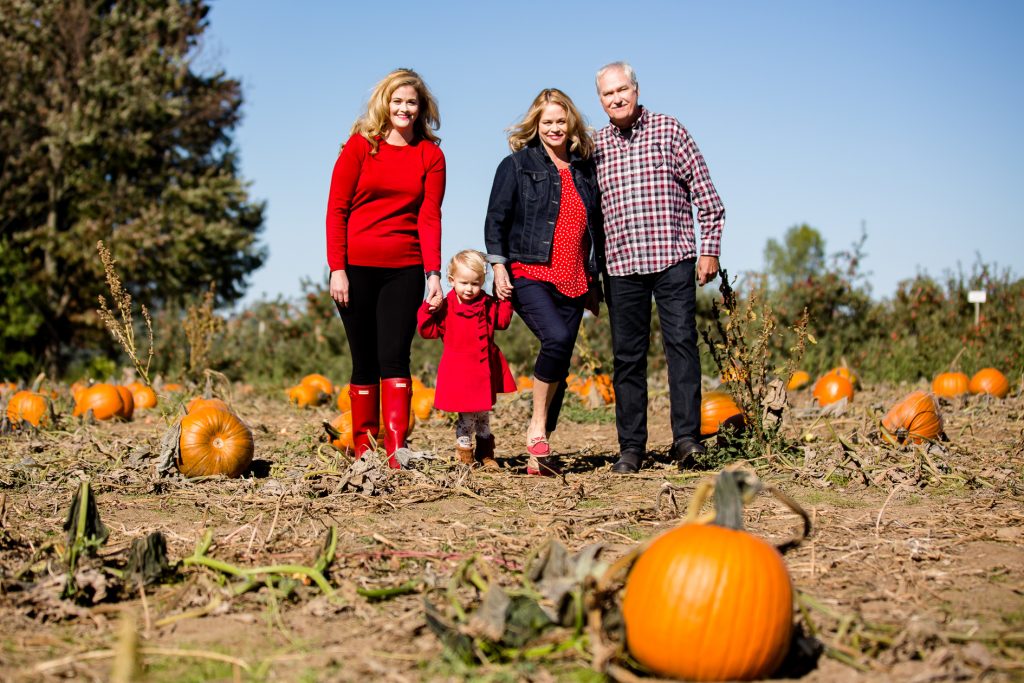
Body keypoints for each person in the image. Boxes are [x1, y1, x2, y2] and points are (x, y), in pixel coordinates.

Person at [592, 61, 725, 474]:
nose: (616, 99)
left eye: (622, 90)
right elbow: (588, 215)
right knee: (627, 358)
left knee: (681, 346)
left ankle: (686, 440)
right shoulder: (595, 145)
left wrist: (710, 251)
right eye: (607, 94)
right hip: (621, 264)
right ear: (600, 100)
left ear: (635, 89)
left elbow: (708, 196)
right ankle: (631, 448)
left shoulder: (670, 130)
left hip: (672, 258)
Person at [325, 68, 445, 469]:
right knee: (364, 360)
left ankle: (395, 449)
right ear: (385, 104)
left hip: (405, 268)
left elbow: (430, 217)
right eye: (397, 101)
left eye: (411, 102)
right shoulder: (361, 147)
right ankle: (363, 448)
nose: (404, 108)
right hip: (356, 268)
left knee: (395, 356)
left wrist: (433, 274)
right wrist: (336, 268)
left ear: (421, 107)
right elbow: (337, 209)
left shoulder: (431, 156)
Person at [484, 88, 602, 476]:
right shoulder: (516, 165)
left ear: (571, 125)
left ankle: (538, 452)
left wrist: (593, 279)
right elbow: (496, 218)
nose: (554, 128)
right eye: (547, 122)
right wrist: (498, 265)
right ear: (536, 125)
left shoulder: (585, 170)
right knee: (556, 338)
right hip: (528, 270)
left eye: (560, 121)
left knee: (561, 363)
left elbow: (594, 230)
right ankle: (536, 425)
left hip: (574, 276)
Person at [417, 250, 517, 469]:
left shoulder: (488, 303)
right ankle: (465, 455)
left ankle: (486, 454)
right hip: (460, 370)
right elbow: (428, 332)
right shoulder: (446, 306)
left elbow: (502, 322)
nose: (470, 289)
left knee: (483, 415)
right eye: (464, 283)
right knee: (466, 418)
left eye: (476, 283)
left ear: (482, 281)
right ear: (452, 280)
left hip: (484, 369)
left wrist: (505, 300)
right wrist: (428, 309)